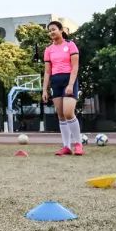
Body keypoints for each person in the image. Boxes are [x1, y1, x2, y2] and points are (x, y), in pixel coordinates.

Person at [42, 22, 83, 156]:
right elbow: (47, 72)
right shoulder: (48, 49)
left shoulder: (70, 45)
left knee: (68, 113)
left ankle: (78, 144)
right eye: (49, 31)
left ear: (61, 30)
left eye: (54, 29)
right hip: (55, 82)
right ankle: (66, 146)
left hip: (69, 80)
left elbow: (75, 67)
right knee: (60, 115)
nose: (51, 32)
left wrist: (71, 84)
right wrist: (44, 90)